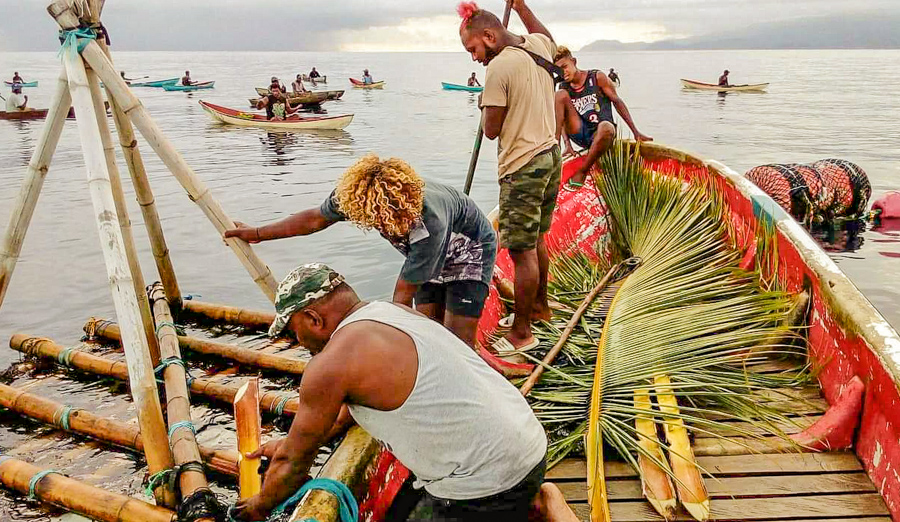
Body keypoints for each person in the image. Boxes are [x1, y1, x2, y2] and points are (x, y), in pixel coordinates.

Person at [227, 264, 579, 522]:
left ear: (313, 319)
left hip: (486, 481)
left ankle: (537, 505)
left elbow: (292, 465)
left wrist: (257, 506)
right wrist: (291, 444)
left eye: (294, 332)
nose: (298, 343)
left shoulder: (330, 365)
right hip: (529, 446)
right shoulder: (388, 312)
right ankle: (535, 502)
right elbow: (344, 413)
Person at [225, 155, 497, 348]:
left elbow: (402, 297)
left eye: (387, 220)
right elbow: (314, 219)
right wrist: (258, 233)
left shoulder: (427, 223)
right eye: (374, 220)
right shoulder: (358, 196)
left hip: (469, 250)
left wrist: (379, 344)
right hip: (427, 254)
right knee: (427, 325)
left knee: (457, 339)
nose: (381, 225)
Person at [459, 0, 559, 354]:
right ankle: (539, 308)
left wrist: (485, 103)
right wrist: (521, 7)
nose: (474, 58)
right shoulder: (538, 46)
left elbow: (491, 129)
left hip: (522, 166)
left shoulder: (499, 68)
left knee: (521, 250)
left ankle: (521, 333)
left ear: (489, 35)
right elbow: (544, 33)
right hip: (550, 155)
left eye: (473, 49)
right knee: (539, 239)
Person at [554, 46, 651, 189]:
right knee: (559, 95)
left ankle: (582, 171)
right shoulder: (564, 86)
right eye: (558, 70)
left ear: (574, 61)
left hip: (602, 134)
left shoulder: (596, 77)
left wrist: (635, 132)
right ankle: (554, 154)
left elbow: (617, 102)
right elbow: (561, 118)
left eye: (565, 67)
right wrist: (567, 144)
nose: (563, 72)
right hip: (580, 133)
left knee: (606, 127)